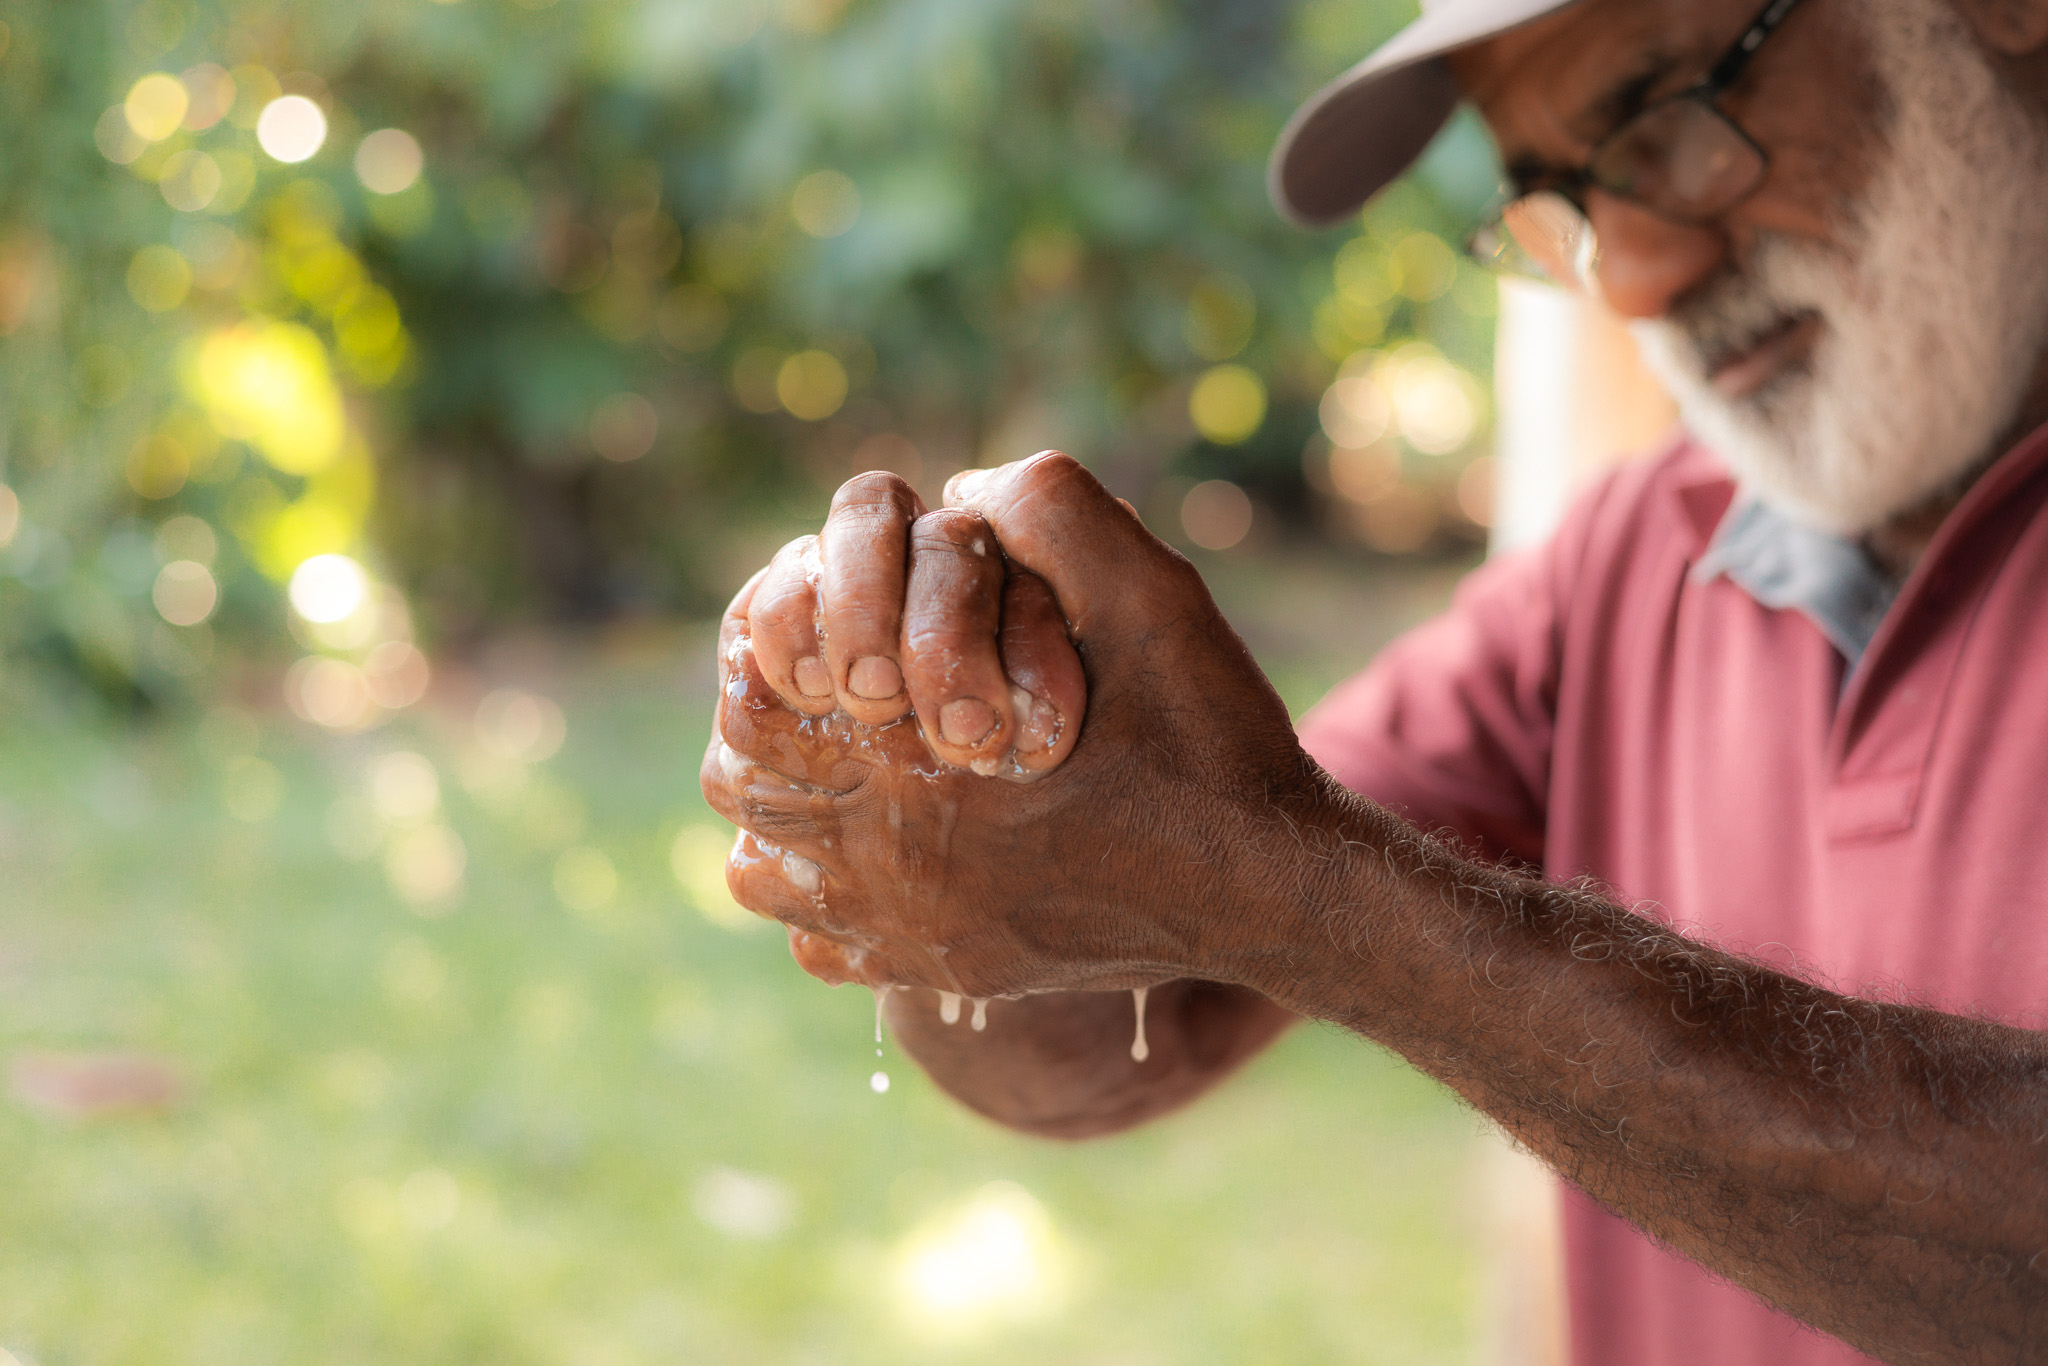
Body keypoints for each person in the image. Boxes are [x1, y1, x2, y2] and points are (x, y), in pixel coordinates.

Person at [699, 0, 2048, 1361]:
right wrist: (960, 782)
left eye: (1676, 120)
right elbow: (1122, 1031)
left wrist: (1301, 895)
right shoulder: (1645, 554)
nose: (1637, 273)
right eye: (1561, 199)